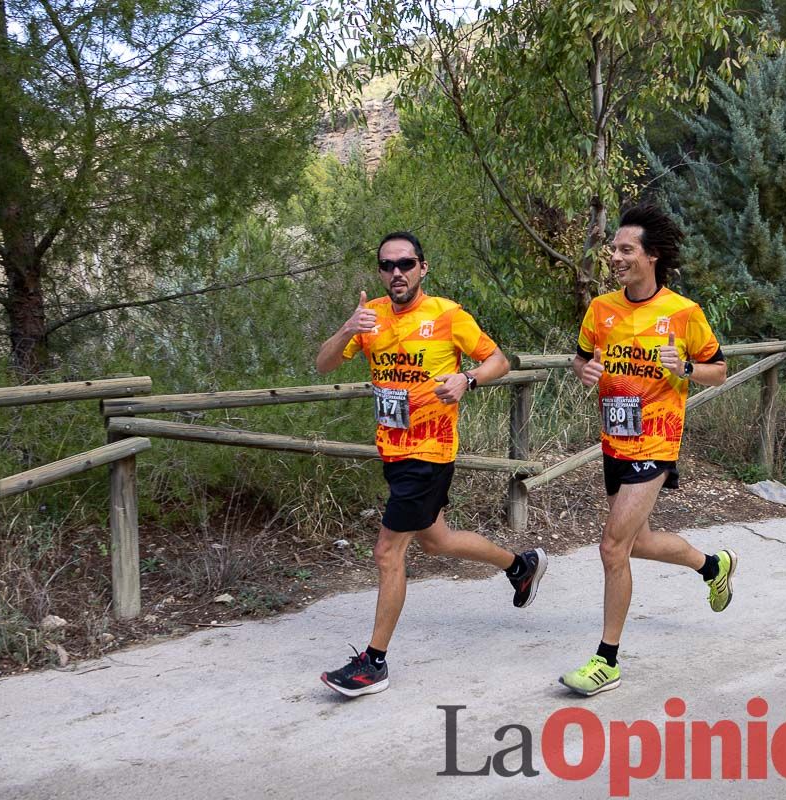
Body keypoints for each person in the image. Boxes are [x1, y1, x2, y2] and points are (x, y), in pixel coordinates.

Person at [315, 231, 546, 698]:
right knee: (436, 541)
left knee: (387, 552)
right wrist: (346, 329)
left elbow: (497, 360)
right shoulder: (371, 317)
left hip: (431, 452)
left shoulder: (447, 315)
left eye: (405, 263)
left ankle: (373, 663)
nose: (396, 272)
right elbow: (323, 365)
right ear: (379, 272)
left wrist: (467, 379)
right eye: (387, 265)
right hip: (393, 451)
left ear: (423, 268)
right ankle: (519, 566)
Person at [561, 206, 735, 696]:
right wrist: (585, 372)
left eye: (625, 249)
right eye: (613, 249)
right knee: (637, 541)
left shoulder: (683, 313)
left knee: (612, 546)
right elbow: (580, 359)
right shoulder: (601, 309)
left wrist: (684, 368)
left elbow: (717, 370)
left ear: (651, 256)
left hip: (657, 441)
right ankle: (713, 566)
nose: (614, 257)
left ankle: (606, 660)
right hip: (614, 439)